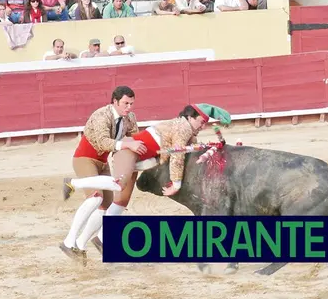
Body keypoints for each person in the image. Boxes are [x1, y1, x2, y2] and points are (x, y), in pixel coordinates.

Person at [63, 103, 232, 253]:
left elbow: (186, 149)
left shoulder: (187, 129)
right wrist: (176, 183)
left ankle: (97, 240)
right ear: (190, 118)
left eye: (204, 123)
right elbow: (177, 157)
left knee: (121, 202)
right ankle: (73, 183)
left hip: (138, 157)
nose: (202, 126)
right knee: (117, 184)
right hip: (129, 153)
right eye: (200, 122)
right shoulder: (184, 127)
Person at [58, 86, 140, 260]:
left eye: (131, 103)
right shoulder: (101, 115)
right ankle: (68, 242)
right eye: (125, 103)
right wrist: (128, 145)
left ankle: (80, 244)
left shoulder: (130, 118)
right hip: (84, 159)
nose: (129, 107)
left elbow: (135, 138)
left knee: (105, 208)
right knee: (96, 197)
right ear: (115, 101)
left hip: (102, 163)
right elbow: (103, 143)